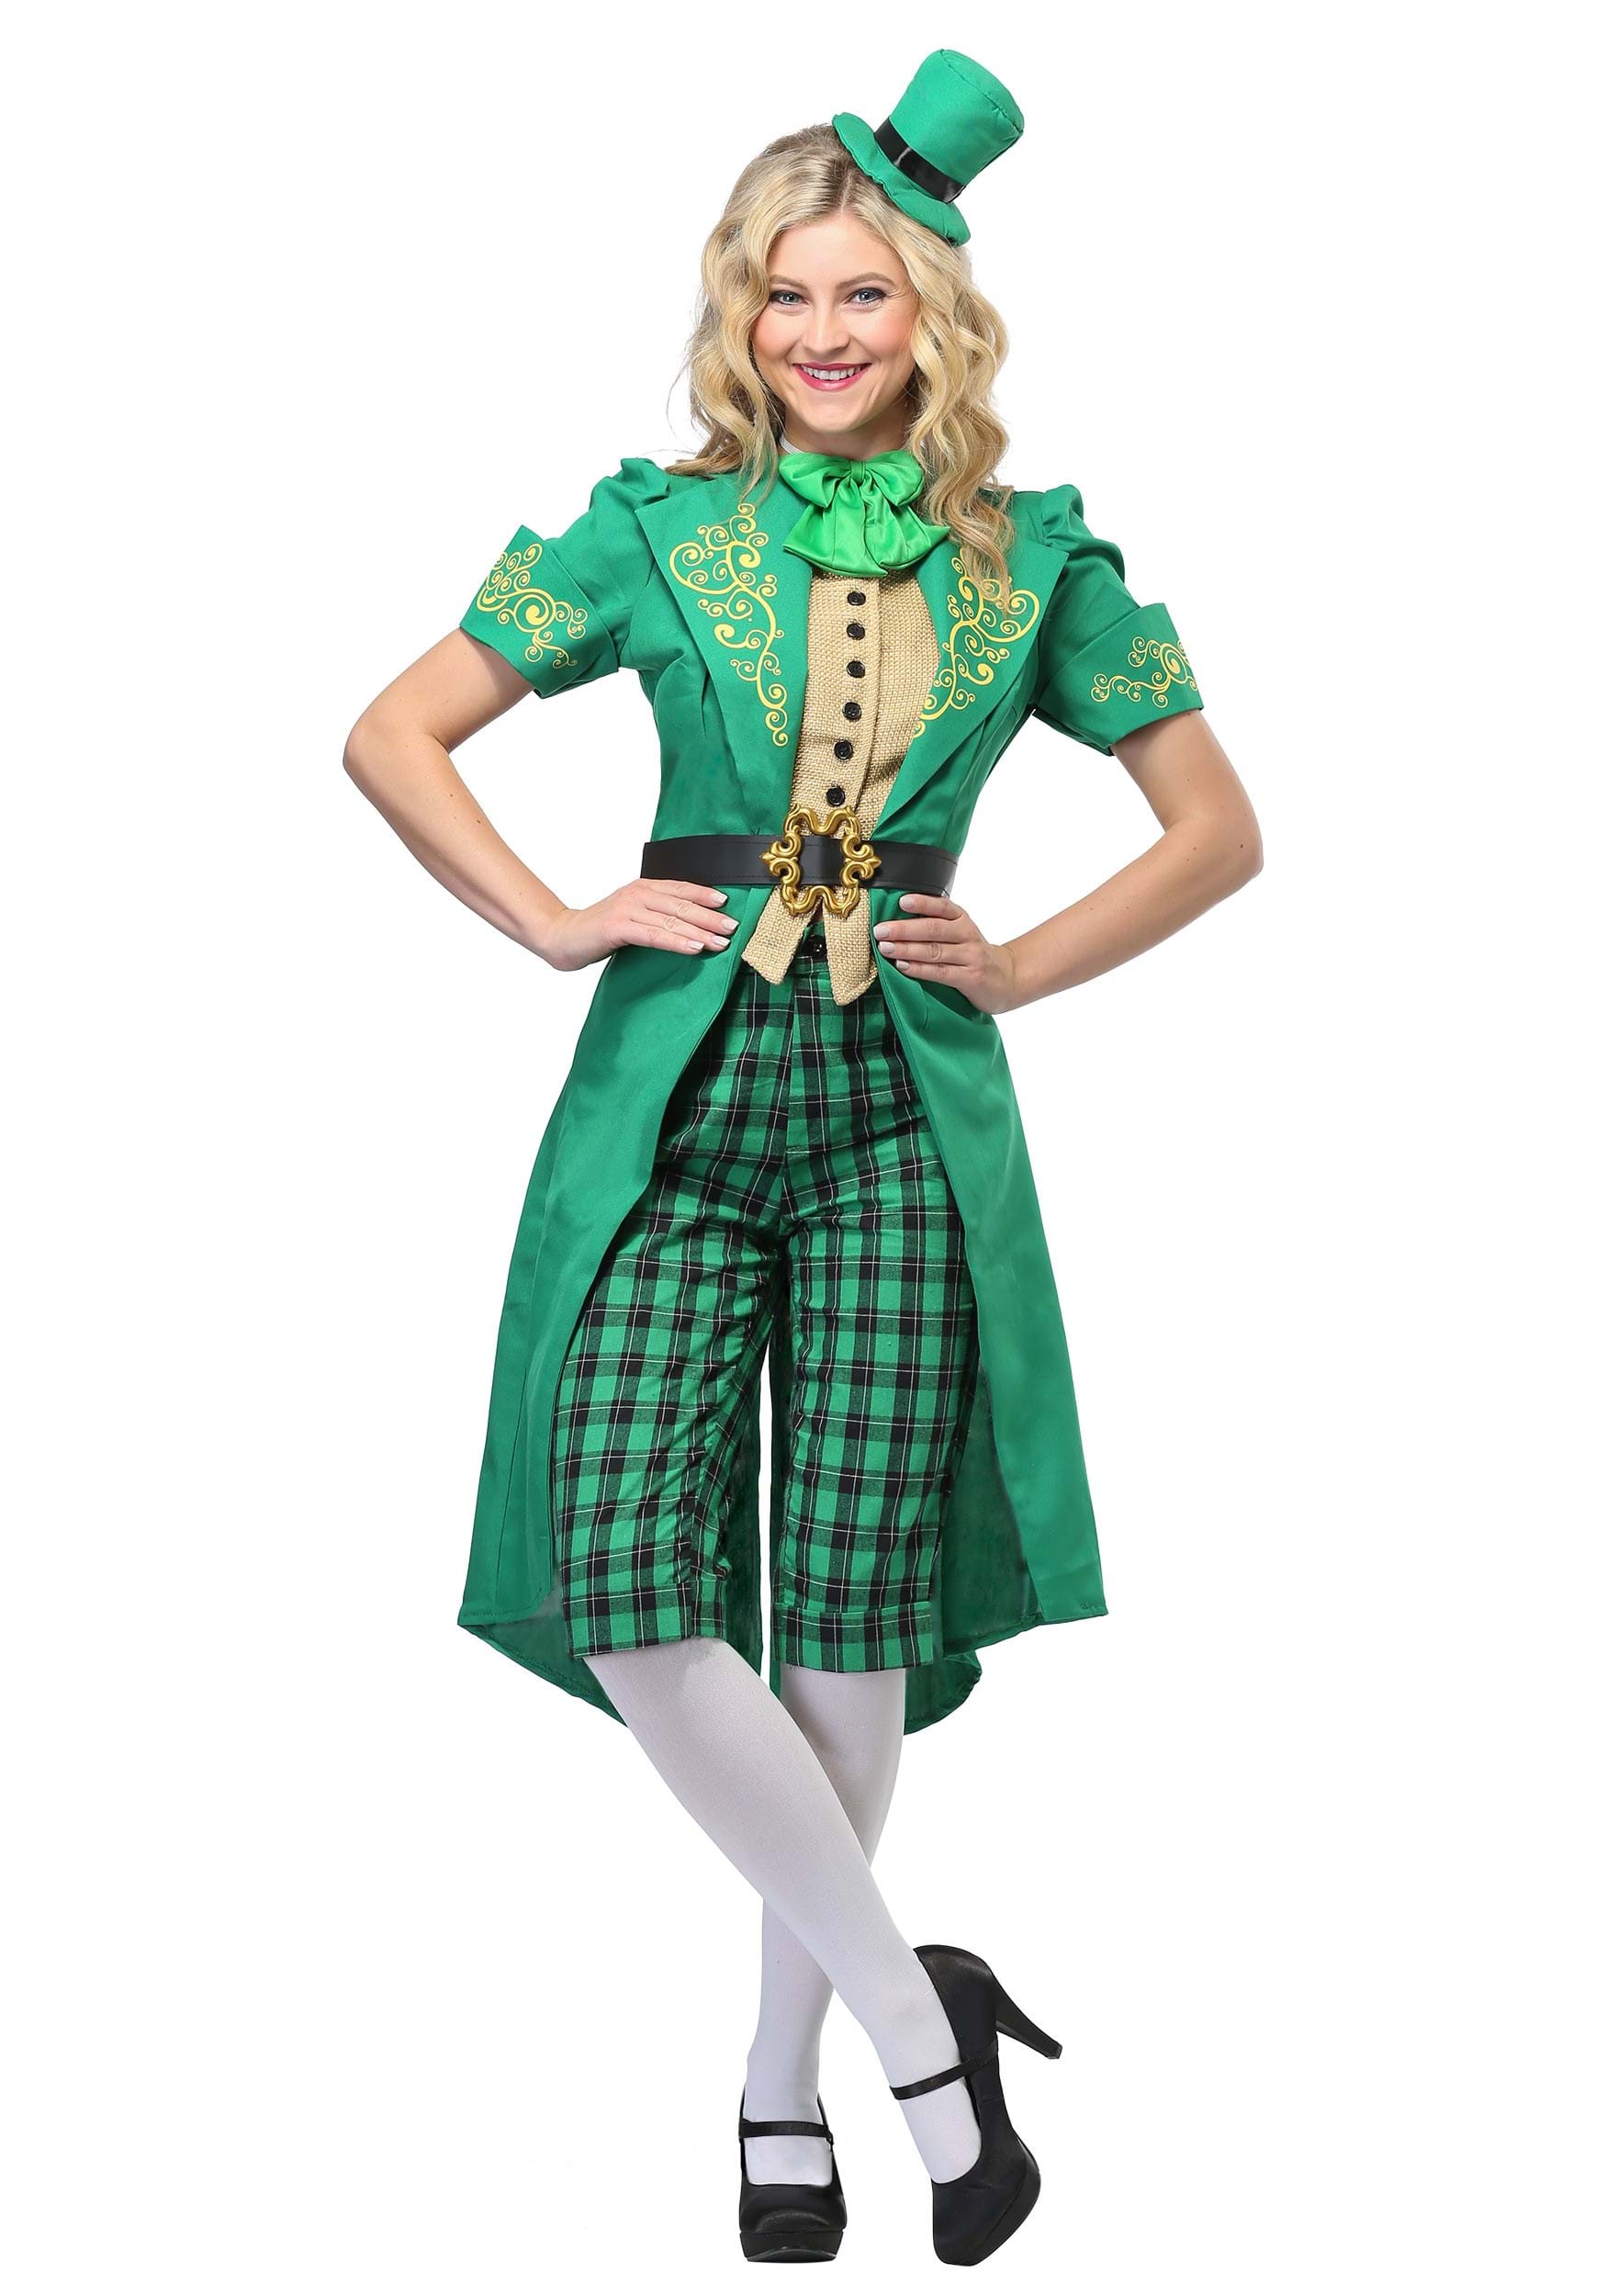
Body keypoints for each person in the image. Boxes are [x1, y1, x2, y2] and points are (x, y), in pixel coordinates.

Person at [343, 50, 1262, 2268]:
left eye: (862, 292)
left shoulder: (1034, 560)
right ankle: (922, 2030)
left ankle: (779, 2081)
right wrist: (555, 914)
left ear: (931, 316)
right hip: (672, 1107)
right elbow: (393, 729)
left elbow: (1215, 827)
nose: (821, 331)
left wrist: (1014, 962)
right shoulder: (649, 533)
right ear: (735, 314)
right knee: (632, 1583)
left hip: (897, 1135)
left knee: (846, 1626)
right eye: (783, 293)